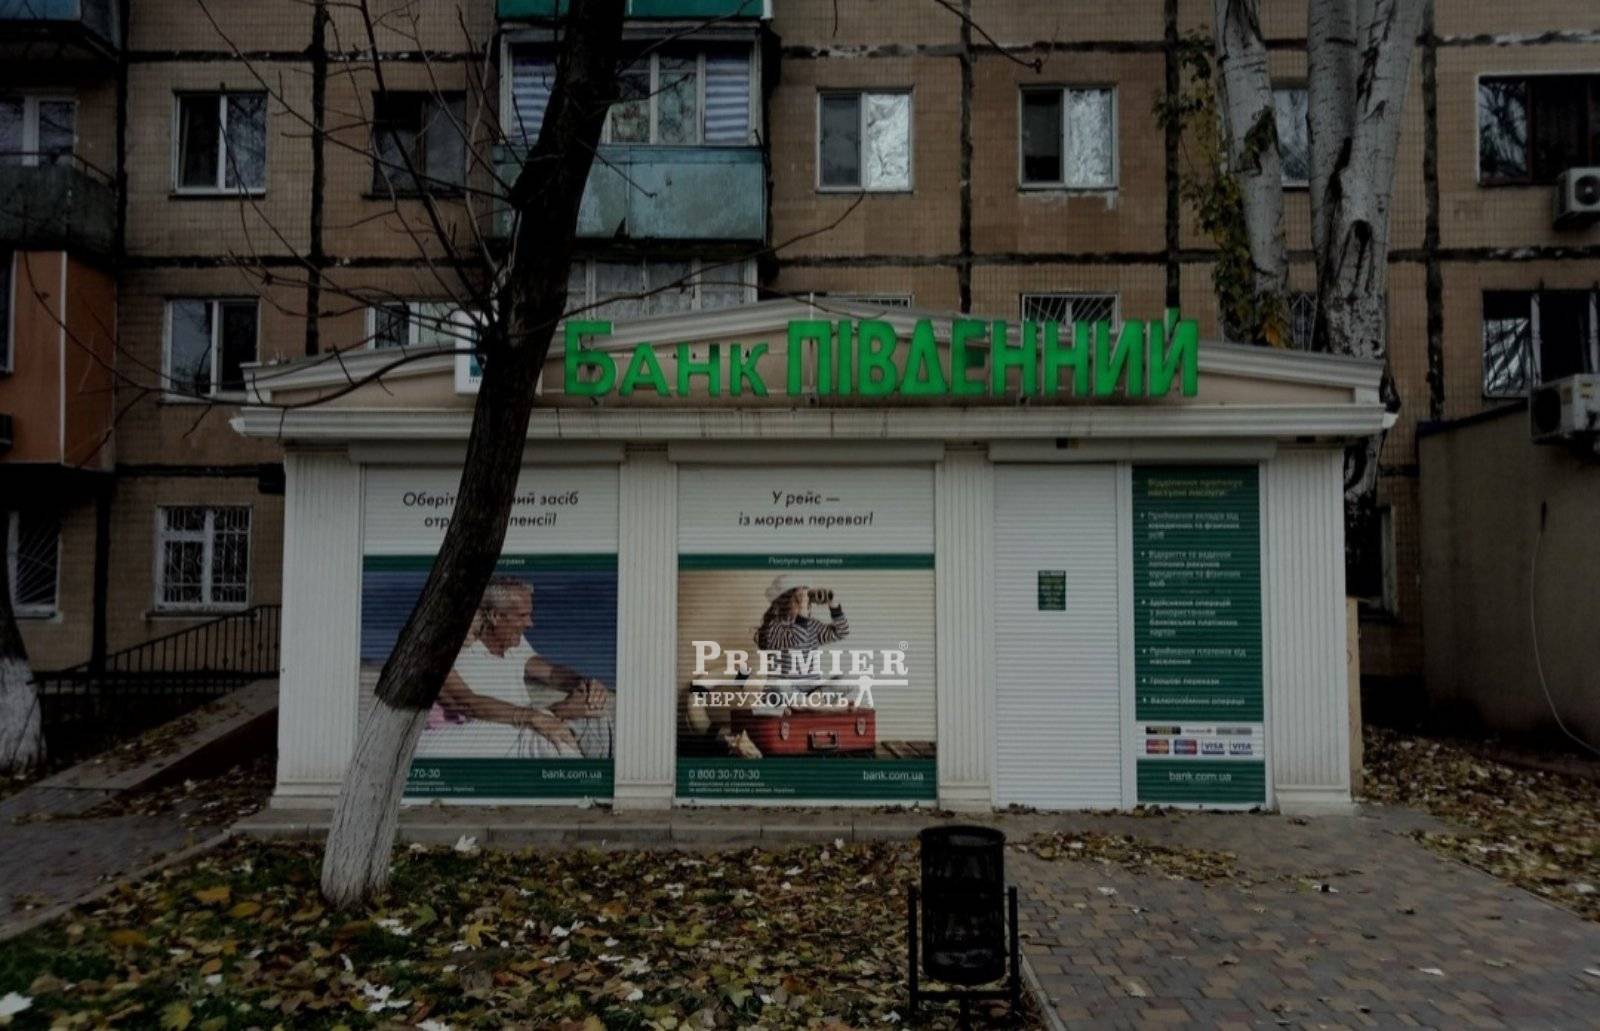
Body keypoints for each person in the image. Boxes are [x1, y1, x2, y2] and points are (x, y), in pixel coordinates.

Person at [419, 577, 614, 760]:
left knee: (595, 716)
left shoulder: (514, 643)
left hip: (523, 728)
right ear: (495, 616)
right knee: (554, 740)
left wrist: (585, 686)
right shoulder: (453, 654)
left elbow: (551, 673)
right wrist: (558, 710)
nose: (530, 623)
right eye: (522, 616)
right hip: (502, 735)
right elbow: (472, 708)